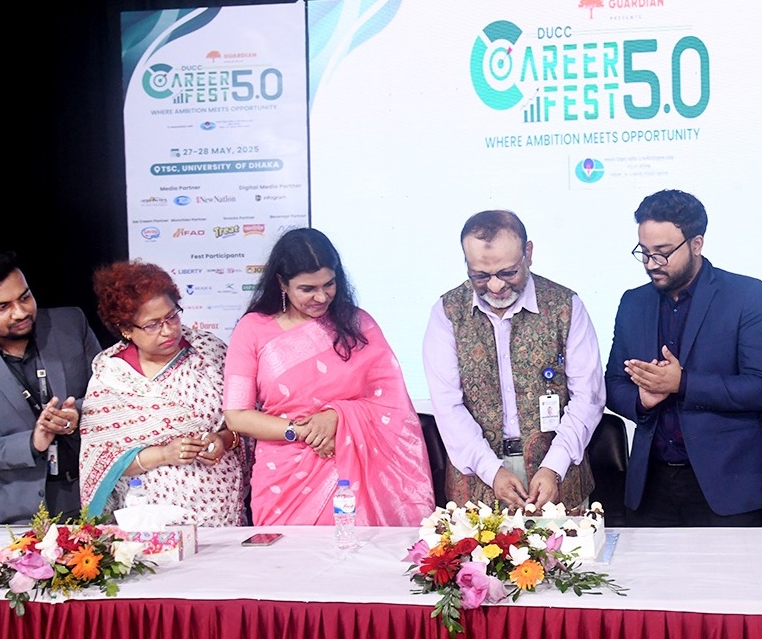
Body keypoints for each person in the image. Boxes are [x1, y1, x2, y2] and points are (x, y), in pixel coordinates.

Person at [223, 228, 432, 526]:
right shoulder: (252, 330)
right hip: (284, 477)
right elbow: (237, 416)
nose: (321, 297)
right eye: (307, 289)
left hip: (358, 469)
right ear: (282, 283)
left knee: (360, 552)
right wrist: (303, 431)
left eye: (329, 284)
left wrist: (336, 418)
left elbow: (392, 403)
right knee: (287, 554)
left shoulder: (359, 325)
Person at [606, 189, 762, 526]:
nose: (651, 264)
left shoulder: (746, 294)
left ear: (696, 244)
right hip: (651, 485)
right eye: (644, 252)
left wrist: (683, 383)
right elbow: (613, 384)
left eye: (663, 253)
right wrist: (641, 400)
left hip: (729, 486)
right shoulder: (633, 302)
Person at [422, 211, 604, 508]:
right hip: (477, 483)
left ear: (528, 253)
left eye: (508, 273)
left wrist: (554, 466)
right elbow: (447, 406)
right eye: (480, 275)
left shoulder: (565, 306)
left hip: (558, 475)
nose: (495, 286)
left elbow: (589, 397)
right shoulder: (447, 312)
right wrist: (491, 470)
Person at [0, 251, 101, 524]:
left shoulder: (70, 324)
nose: (20, 312)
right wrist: (31, 442)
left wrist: (78, 414)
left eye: (24, 297)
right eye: (2, 307)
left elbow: (111, 394)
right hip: (26, 512)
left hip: (98, 493)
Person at [78, 261, 244, 526]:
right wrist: (164, 454)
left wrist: (223, 439)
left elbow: (244, 424)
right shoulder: (111, 377)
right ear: (126, 329)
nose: (168, 330)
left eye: (172, 316)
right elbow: (102, 461)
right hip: (151, 520)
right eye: (152, 325)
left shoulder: (210, 352)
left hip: (222, 510)